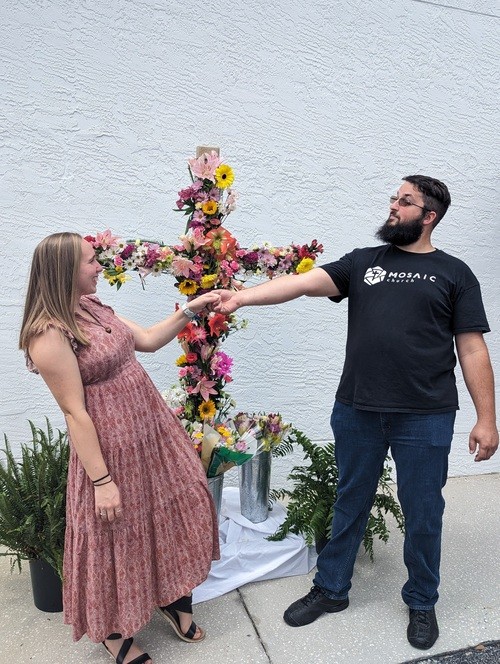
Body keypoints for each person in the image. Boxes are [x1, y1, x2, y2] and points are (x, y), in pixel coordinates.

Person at [215, 175, 498, 651]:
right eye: (393, 198)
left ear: (429, 216)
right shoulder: (364, 262)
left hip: (425, 415)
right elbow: (302, 283)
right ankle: (331, 589)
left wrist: (486, 418)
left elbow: (471, 349)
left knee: (424, 512)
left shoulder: (454, 273)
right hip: (357, 409)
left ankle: (422, 600)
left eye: (405, 201)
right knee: (350, 500)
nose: (393, 206)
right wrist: (241, 297)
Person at [19, 232, 221, 664]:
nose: (100, 267)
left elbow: (145, 339)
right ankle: (114, 631)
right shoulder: (48, 334)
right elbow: (75, 412)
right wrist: (102, 481)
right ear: (64, 270)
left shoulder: (89, 306)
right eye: (91, 261)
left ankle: (171, 595)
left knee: (178, 503)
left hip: (151, 431)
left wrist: (191, 309)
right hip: (110, 449)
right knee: (115, 535)